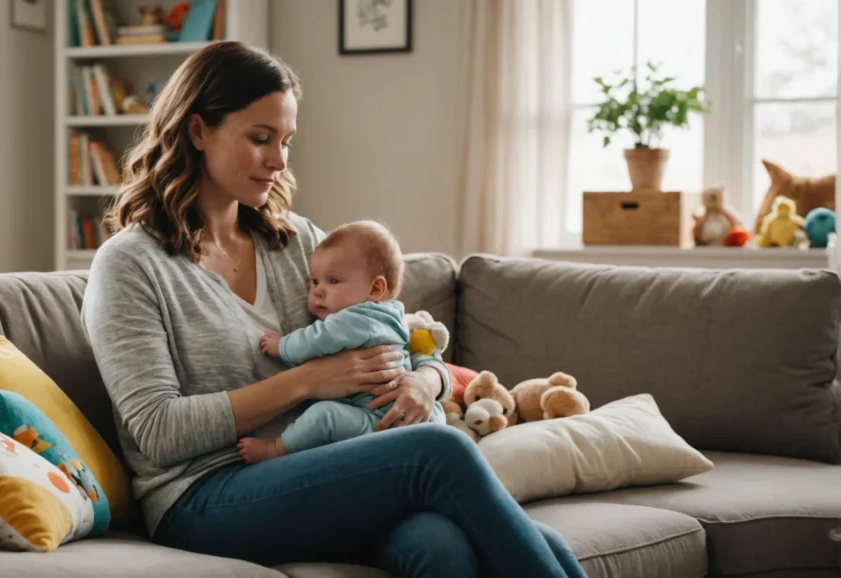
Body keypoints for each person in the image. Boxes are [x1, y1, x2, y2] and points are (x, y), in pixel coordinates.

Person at [80, 40, 587, 578]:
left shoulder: (295, 242)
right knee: (438, 452)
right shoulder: (130, 265)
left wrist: (427, 384)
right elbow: (157, 431)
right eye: (260, 139)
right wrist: (307, 381)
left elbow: (401, 334)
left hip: (322, 469)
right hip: (201, 496)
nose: (278, 160)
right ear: (199, 130)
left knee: (440, 546)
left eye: (286, 141)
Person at [238, 220, 446, 464]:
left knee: (324, 416)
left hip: (377, 420)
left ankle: (275, 448)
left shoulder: (356, 319)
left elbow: (316, 339)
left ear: (375, 288)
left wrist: (281, 345)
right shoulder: (391, 317)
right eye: (314, 282)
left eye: (333, 281)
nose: (317, 291)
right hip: (401, 417)